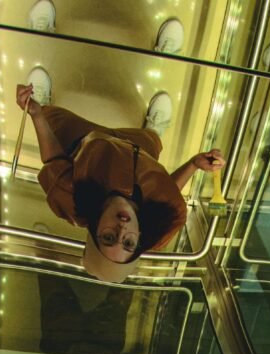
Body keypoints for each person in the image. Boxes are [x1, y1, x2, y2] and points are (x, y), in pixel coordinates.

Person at [16, 74, 225, 283]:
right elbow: (166, 191)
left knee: (54, 119)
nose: (122, 229)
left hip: (86, 138)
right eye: (128, 242)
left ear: (94, 229)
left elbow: (53, 158)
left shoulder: (70, 199)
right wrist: (193, 164)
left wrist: (37, 114)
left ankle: (44, 105)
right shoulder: (160, 223)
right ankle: (152, 130)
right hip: (142, 149)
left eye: (109, 238)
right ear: (139, 239)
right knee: (152, 140)